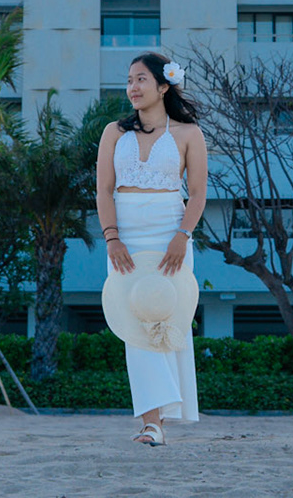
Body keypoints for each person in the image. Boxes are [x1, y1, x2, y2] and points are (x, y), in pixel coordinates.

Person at [95, 51, 208, 446]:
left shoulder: (189, 134)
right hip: (125, 236)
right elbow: (103, 190)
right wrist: (111, 237)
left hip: (169, 234)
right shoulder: (113, 132)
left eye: (141, 79)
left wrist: (182, 235)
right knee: (134, 323)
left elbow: (198, 194)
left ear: (163, 86)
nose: (132, 87)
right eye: (129, 80)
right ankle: (152, 422)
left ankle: (161, 417)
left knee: (164, 319)